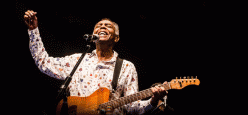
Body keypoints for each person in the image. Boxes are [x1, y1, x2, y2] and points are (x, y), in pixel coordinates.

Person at [24, 10, 168, 114]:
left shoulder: (126, 67)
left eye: (108, 26)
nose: (103, 27)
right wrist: (33, 31)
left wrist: (153, 101)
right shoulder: (77, 60)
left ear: (116, 38)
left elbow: (133, 108)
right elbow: (44, 62)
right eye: (99, 26)